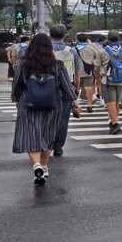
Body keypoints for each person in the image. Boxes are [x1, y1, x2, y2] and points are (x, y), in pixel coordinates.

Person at [11, 33, 79, 185]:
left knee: (31, 136)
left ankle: (36, 166)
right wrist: (74, 102)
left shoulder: (23, 64)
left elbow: (17, 86)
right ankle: (44, 166)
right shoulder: (58, 65)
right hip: (52, 106)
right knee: (47, 137)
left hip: (28, 105)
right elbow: (68, 89)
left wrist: (16, 100)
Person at [49, 25, 80, 156]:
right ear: (64, 36)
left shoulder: (45, 50)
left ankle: (47, 144)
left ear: (50, 35)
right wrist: (76, 88)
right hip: (67, 88)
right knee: (63, 118)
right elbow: (77, 72)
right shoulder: (71, 51)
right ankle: (58, 147)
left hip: (47, 87)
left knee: (48, 117)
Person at [99, 31, 122, 135]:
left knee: (110, 102)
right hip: (121, 81)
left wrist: (98, 78)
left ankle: (115, 124)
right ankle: (114, 121)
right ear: (119, 38)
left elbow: (96, 68)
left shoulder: (103, 51)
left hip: (107, 81)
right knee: (116, 102)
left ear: (108, 38)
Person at [75, 33, 100, 112]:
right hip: (88, 70)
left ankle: (76, 105)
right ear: (86, 39)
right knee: (88, 86)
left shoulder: (74, 48)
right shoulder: (91, 47)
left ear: (77, 40)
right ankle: (89, 105)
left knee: (76, 88)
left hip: (77, 71)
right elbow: (98, 57)